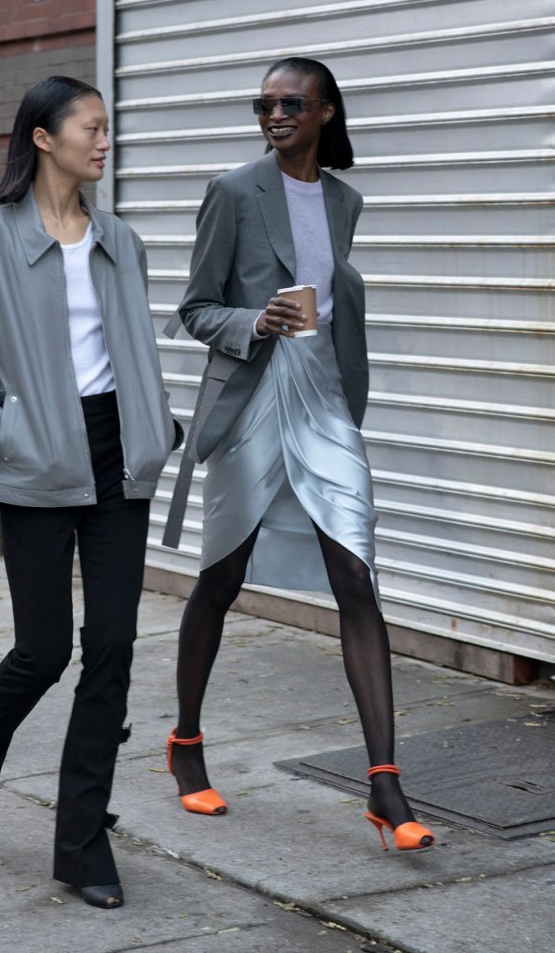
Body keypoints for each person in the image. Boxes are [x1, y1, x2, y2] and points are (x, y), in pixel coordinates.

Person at [0, 75, 181, 907]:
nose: (104, 141)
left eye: (107, 128)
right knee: (44, 648)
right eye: (90, 128)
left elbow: (132, 349)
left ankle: (82, 843)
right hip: (35, 457)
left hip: (117, 457)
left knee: (112, 645)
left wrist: (156, 423)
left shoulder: (120, 239)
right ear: (43, 136)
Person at [163, 57, 434, 852]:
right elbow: (195, 307)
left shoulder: (345, 200)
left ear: (325, 112)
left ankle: (385, 783)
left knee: (356, 572)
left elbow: (335, 297)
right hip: (254, 397)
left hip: (322, 400)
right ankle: (185, 742)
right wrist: (255, 321)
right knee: (222, 577)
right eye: (263, 104)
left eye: (290, 103)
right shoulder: (232, 191)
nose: (274, 114)